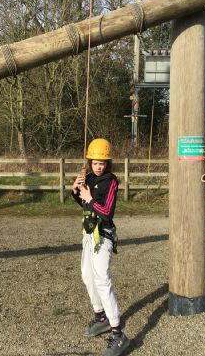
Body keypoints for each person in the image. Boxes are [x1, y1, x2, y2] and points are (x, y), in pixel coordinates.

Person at [72, 138, 130, 356]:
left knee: (102, 280)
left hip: (103, 236)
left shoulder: (111, 181)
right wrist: (76, 191)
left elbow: (106, 212)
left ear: (108, 163)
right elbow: (84, 205)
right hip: (88, 234)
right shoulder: (88, 178)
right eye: (95, 163)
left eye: (102, 163)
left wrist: (89, 198)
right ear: (90, 162)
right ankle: (101, 317)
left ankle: (118, 334)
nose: (98, 166)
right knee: (87, 276)